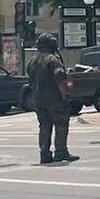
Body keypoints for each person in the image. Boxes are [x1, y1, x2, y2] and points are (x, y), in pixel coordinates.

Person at [26, 33, 79, 165]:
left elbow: (30, 80)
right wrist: (65, 96)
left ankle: (44, 154)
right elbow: (60, 80)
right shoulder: (53, 60)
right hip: (54, 99)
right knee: (61, 125)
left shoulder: (32, 61)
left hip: (38, 100)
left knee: (44, 126)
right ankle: (61, 152)